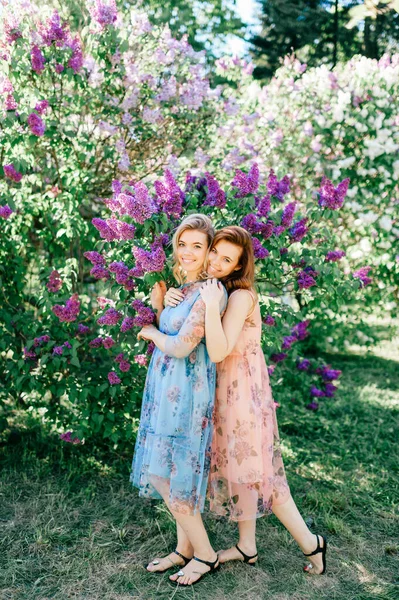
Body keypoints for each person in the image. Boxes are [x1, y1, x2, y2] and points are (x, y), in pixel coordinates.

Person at [164, 226, 327, 583]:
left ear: (239, 265)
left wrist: (205, 304)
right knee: (239, 473)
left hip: (242, 397)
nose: (216, 263)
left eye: (227, 259)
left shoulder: (238, 297)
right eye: (215, 253)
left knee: (258, 474)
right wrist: (175, 296)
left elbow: (219, 349)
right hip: (222, 391)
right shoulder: (215, 290)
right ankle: (246, 546)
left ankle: (312, 543)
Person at [130, 214, 227, 587]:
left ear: (209, 252)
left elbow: (184, 346)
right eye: (182, 244)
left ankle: (205, 553)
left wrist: (150, 331)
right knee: (172, 471)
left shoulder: (209, 293)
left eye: (197, 246)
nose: (187, 252)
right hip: (166, 389)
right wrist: (160, 303)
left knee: (167, 473)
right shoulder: (183, 289)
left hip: (187, 394)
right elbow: (171, 327)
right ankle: (183, 548)